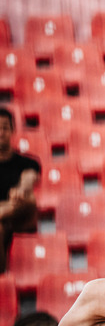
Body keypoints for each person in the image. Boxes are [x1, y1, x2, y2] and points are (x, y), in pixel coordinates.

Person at [0, 106, 41, 274]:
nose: (1, 133)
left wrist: (21, 189)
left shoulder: (27, 162)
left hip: (21, 218)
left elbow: (29, 177)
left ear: (12, 130)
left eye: (5, 128)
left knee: (28, 199)